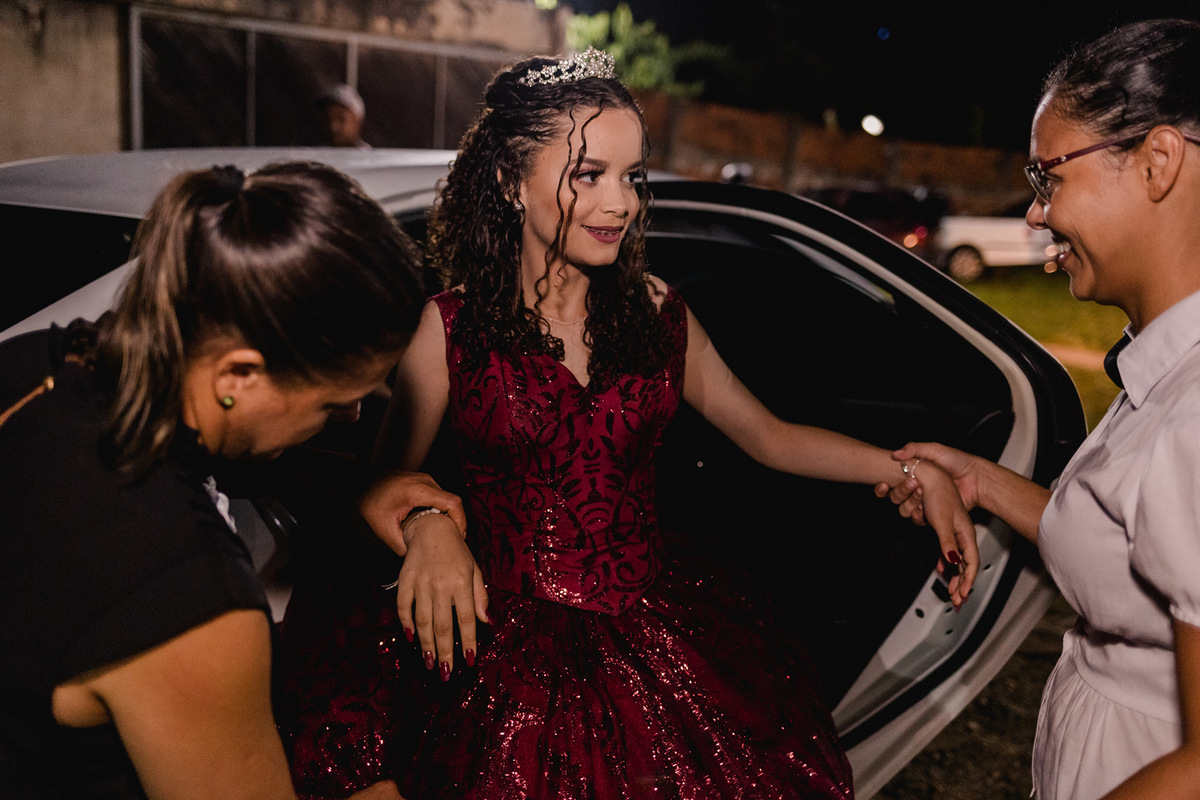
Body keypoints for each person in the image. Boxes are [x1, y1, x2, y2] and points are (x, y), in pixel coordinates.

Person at [275, 49, 977, 800]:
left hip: (661, 635)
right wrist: (425, 523)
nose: (622, 203)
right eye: (589, 175)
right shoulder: (448, 328)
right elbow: (374, 485)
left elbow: (769, 435)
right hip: (496, 656)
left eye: (631, 177)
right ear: (511, 184)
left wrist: (911, 472)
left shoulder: (657, 313)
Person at [0, 161, 461, 799]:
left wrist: (360, 486)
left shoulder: (39, 366)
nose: (352, 417)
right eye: (331, 404)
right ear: (238, 376)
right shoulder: (193, 598)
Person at [883, 18, 1200, 800]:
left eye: (1048, 179)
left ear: (1157, 161)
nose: (1035, 215)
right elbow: (1136, 535)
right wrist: (985, 483)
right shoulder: (1163, 367)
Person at [318, 84, 371, 149]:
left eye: (341, 119)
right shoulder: (312, 156)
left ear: (357, 119)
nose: (333, 126)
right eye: (328, 119)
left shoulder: (371, 157)